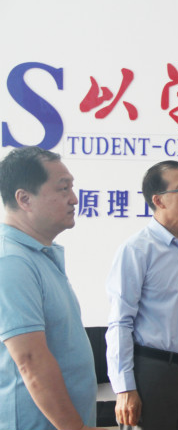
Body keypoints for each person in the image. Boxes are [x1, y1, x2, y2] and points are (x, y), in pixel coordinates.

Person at [106, 160, 178, 430]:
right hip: (152, 373)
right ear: (158, 200)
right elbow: (120, 322)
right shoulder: (137, 250)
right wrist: (124, 388)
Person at [0, 147, 103, 430]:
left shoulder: (39, 256)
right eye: (63, 188)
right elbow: (30, 361)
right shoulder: (11, 262)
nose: (74, 199)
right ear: (24, 199)